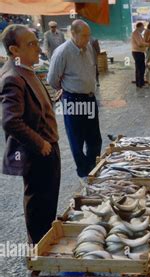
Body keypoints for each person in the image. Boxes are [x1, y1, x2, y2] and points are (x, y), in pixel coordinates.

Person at [0, 24, 60, 244]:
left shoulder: (26, 70)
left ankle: (45, 244)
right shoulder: (13, 77)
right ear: (14, 50)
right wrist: (40, 143)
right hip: (38, 153)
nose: (38, 48)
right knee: (39, 204)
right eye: (31, 44)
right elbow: (10, 120)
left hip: (48, 147)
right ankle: (38, 250)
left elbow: (33, 107)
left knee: (48, 200)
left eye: (36, 41)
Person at [47, 20, 102, 179]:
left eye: (88, 35)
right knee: (76, 138)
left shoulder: (89, 47)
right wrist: (66, 89)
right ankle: (83, 171)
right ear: (74, 34)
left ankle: (93, 166)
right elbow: (52, 80)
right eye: (84, 36)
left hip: (90, 98)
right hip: (73, 100)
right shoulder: (62, 52)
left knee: (94, 138)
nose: (87, 39)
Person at [131, 22, 148, 88]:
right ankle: (139, 84)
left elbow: (142, 42)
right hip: (137, 52)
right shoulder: (135, 33)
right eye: (143, 27)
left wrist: (145, 43)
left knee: (142, 68)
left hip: (140, 52)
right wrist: (147, 44)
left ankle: (142, 82)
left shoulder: (139, 34)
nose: (143, 28)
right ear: (139, 27)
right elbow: (140, 44)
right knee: (139, 68)